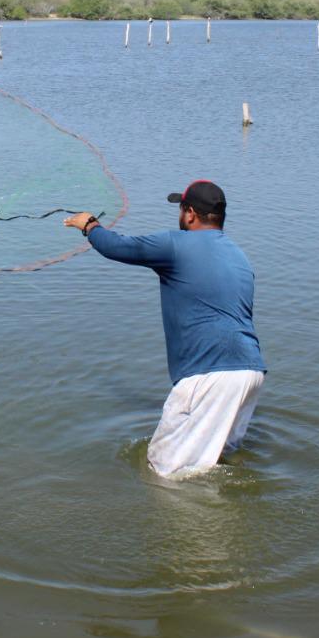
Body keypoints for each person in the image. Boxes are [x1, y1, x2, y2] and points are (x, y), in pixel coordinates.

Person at [64, 180, 266, 478]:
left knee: (163, 471)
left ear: (191, 214)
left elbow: (117, 247)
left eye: (181, 208)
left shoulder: (175, 245)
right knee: (219, 463)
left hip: (208, 374)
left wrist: (90, 225)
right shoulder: (239, 257)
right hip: (250, 372)